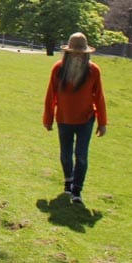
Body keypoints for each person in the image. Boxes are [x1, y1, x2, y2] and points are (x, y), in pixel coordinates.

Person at [43, 32, 108, 204]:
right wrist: (48, 119)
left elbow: (99, 97)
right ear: (68, 52)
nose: (78, 55)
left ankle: (77, 190)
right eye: (74, 52)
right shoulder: (58, 69)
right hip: (64, 119)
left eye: (81, 52)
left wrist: (102, 123)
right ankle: (68, 181)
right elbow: (51, 95)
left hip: (85, 120)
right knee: (65, 155)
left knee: (81, 156)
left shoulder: (93, 71)